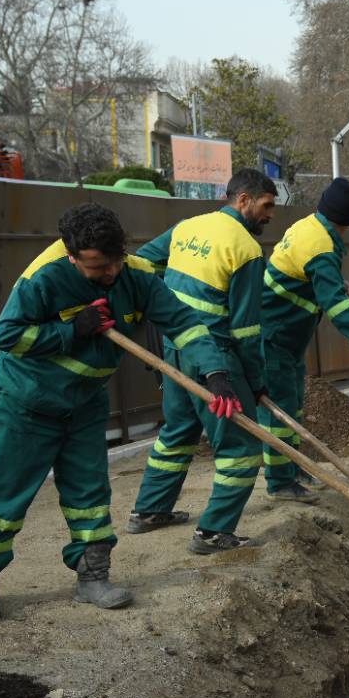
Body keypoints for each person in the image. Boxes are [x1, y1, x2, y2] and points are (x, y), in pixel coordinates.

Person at [0, 203, 239, 622]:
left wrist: (215, 372)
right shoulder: (44, 276)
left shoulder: (137, 275)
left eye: (114, 262)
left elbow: (185, 323)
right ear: (72, 257)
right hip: (26, 402)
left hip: (86, 402)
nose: (109, 274)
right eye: (96, 268)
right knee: (3, 489)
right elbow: (7, 335)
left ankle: (92, 576)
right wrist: (71, 330)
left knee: (89, 492)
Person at [128, 168, 277, 553]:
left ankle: (149, 510)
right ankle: (213, 532)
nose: (270, 215)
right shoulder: (246, 250)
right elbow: (246, 331)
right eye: (266, 205)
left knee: (178, 431)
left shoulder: (188, 227)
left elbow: (141, 263)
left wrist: (164, 304)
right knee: (241, 449)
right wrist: (255, 382)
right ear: (243, 200)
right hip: (216, 361)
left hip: (175, 349)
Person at [258, 178, 349, 500]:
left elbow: (301, 274)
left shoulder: (308, 226)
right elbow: (338, 309)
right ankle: (280, 483)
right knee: (280, 412)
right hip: (274, 335)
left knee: (293, 406)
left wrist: (330, 283)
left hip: (287, 337)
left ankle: (292, 467)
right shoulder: (321, 246)